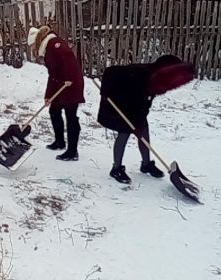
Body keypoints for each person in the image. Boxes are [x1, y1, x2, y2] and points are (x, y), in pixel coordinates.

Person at [98, 55, 194, 184]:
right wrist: (105, 91)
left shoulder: (157, 80)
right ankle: (116, 169)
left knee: (144, 131)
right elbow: (111, 72)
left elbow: (145, 100)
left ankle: (146, 164)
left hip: (136, 105)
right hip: (118, 102)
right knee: (124, 132)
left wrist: (140, 120)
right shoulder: (139, 76)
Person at [27, 26, 85, 161]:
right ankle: (59, 142)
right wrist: (48, 95)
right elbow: (52, 75)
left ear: (37, 41)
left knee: (71, 116)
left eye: (33, 46)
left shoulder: (55, 44)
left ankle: (72, 151)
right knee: (54, 110)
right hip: (61, 84)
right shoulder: (48, 49)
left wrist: (69, 78)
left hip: (71, 84)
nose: (34, 49)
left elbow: (68, 57)